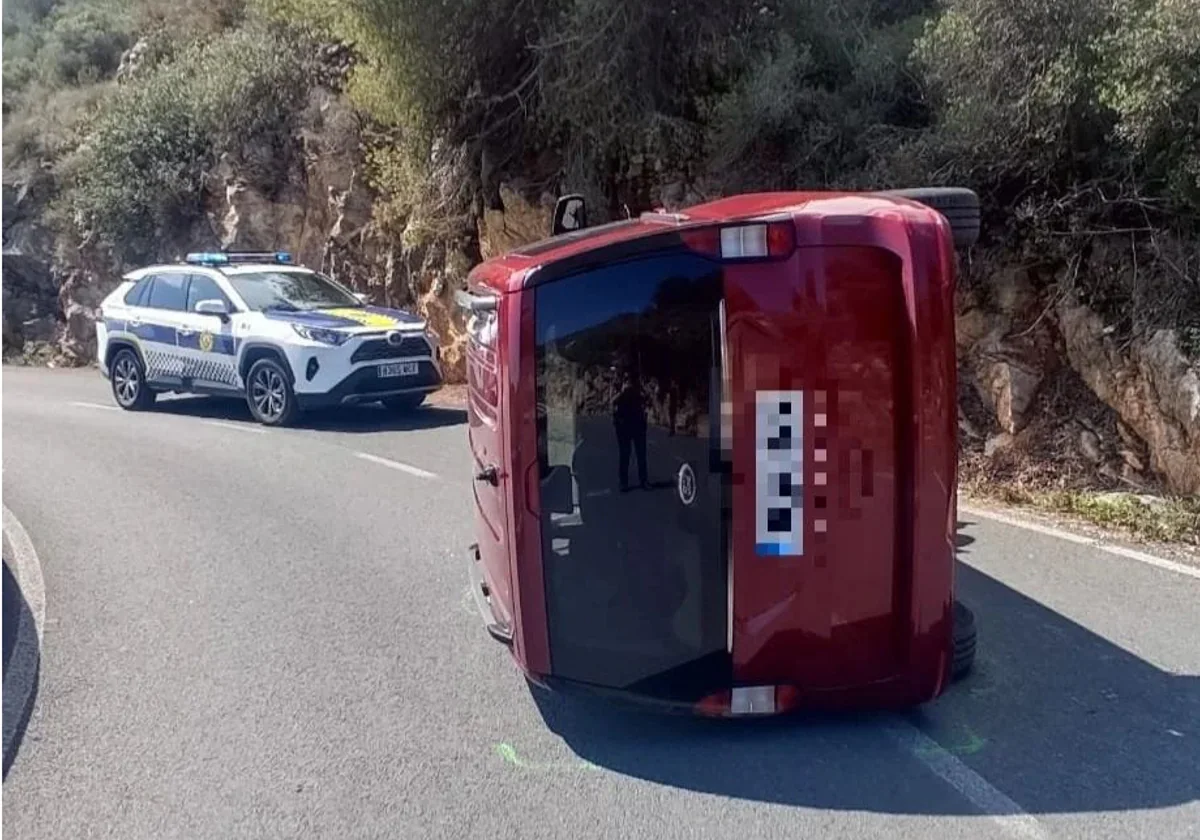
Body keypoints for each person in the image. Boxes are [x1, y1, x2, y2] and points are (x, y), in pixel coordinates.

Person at [612, 365, 649, 492]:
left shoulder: (639, 389)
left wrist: (639, 390)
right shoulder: (618, 388)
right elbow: (612, 402)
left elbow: (646, 400)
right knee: (624, 455)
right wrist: (622, 392)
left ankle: (644, 481)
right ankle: (623, 483)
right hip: (623, 426)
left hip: (637, 424)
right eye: (627, 379)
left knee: (641, 455)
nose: (629, 382)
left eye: (631, 379)